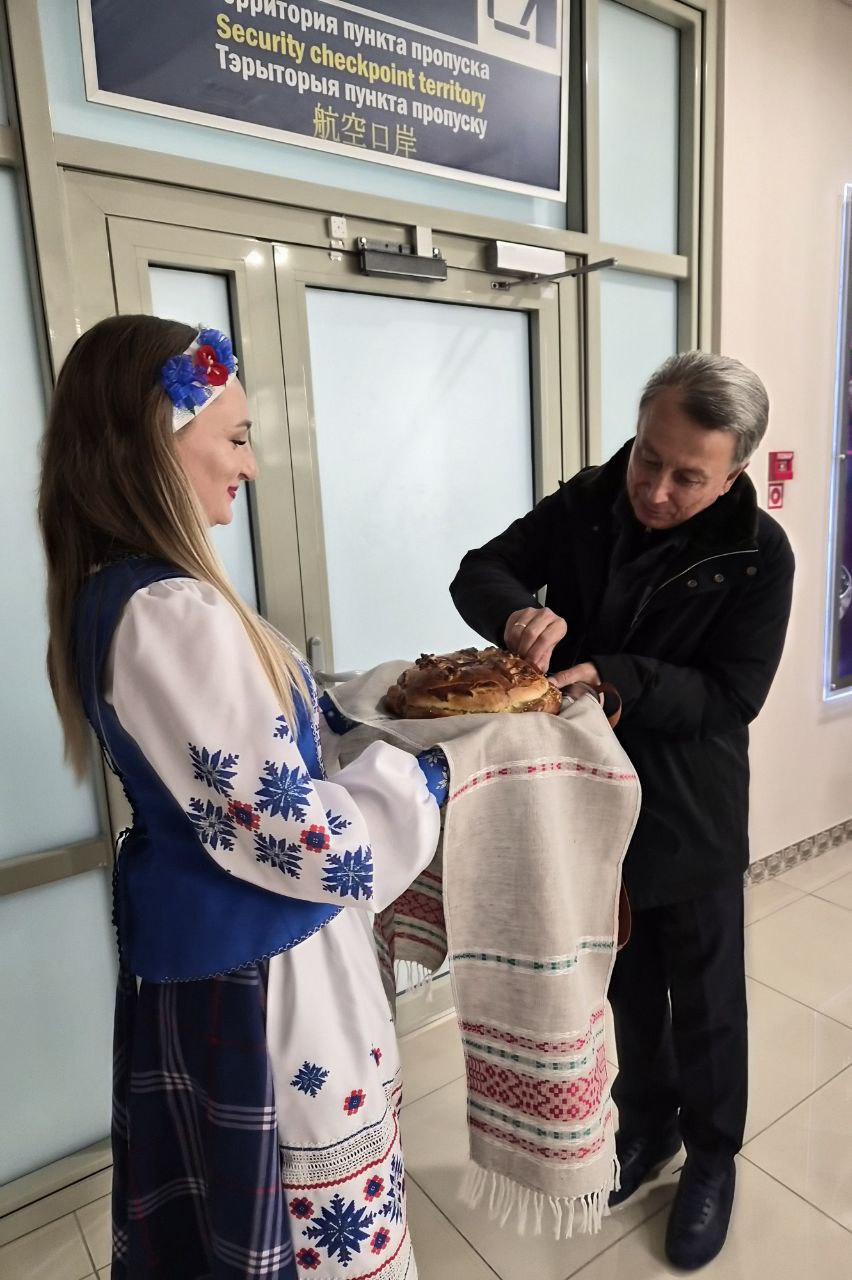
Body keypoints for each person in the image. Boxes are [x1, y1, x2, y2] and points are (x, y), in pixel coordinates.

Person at [39, 314, 446, 1280]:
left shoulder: (119, 598)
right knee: (310, 1241)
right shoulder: (171, 614)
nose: (251, 466)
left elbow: (247, 754)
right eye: (236, 438)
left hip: (215, 963)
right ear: (157, 444)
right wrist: (429, 777)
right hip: (267, 974)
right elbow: (300, 839)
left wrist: (355, 706)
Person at [449, 351, 795, 1271]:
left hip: (691, 806)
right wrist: (515, 615)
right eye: (649, 457)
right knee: (624, 983)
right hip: (586, 803)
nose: (657, 489)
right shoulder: (591, 499)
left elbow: (732, 695)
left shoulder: (758, 554)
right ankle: (646, 1124)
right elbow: (481, 569)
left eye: (688, 477)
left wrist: (619, 675)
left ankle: (712, 1157)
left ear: (734, 472)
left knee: (708, 1001)